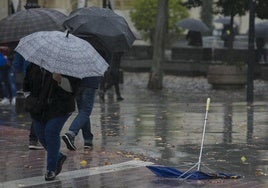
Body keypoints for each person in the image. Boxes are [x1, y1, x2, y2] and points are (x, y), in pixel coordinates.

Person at [23, 63, 80, 181]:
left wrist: (60, 80)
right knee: (41, 135)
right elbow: (26, 86)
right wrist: (29, 99)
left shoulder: (68, 66)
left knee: (51, 132)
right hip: (38, 108)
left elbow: (74, 89)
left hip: (60, 108)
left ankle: (51, 170)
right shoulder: (33, 66)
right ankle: (58, 157)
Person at [62, 36, 111, 151]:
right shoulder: (100, 43)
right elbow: (105, 63)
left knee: (83, 112)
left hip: (77, 82)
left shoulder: (77, 40)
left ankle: (88, 140)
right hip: (91, 81)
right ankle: (71, 133)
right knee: (85, 111)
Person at [12, 52, 43, 150]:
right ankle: (36, 139)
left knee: (36, 110)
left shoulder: (27, 45)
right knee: (42, 111)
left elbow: (17, 65)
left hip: (29, 81)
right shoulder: (50, 47)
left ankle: (34, 139)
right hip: (43, 81)